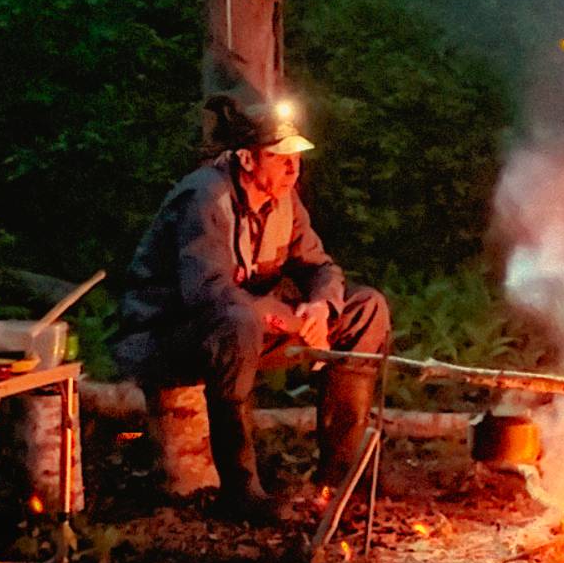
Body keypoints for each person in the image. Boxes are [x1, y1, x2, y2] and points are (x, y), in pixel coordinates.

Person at [114, 94, 391, 520]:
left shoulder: (285, 199)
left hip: (243, 327)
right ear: (246, 159)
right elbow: (208, 294)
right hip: (168, 338)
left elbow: (321, 267)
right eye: (280, 159)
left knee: (366, 307)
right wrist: (283, 318)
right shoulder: (205, 198)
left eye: (296, 158)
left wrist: (320, 308)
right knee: (238, 320)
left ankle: (341, 473)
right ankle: (240, 491)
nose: (292, 169)